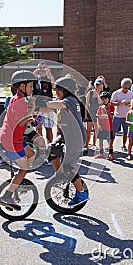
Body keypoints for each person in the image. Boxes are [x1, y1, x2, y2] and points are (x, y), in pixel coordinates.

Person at [36, 76, 89, 206]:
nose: (56, 92)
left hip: (75, 139)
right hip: (66, 136)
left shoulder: (70, 100)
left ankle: (81, 193)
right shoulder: (65, 100)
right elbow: (49, 108)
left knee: (68, 167)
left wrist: (40, 103)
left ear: (66, 89)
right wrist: (33, 109)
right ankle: (61, 176)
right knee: (51, 151)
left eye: (58, 89)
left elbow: (58, 105)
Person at [0, 70, 40, 210]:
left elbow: (23, 120)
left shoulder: (18, 99)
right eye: (31, 86)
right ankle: (8, 195)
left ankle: (17, 182)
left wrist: (32, 117)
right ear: (22, 86)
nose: (33, 88)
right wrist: (32, 108)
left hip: (15, 138)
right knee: (25, 168)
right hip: (12, 142)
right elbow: (21, 122)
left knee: (31, 153)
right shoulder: (19, 101)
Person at [33, 61, 55, 144]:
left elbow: (54, 87)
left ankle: (50, 147)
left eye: (43, 68)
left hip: (48, 106)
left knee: (48, 128)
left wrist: (49, 74)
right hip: (38, 107)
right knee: (38, 128)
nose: (42, 70)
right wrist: (33, 74)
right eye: (40, 68)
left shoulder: (48, 79)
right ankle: (40, 147)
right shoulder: (35, 79)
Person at [111, 78, 133, 151]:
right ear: (122, 86)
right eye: (125, 88)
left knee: (126, 132)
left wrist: (129, 104)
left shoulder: (131, 93)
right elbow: (112, 103)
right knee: (114, 131)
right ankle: (111, 145)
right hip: (117, 116)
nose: (126, 89)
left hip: (127, 116)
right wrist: (120, 103)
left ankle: (124, 145)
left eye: (128, 88)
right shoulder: (116, 93)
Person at [84, 77, 103, 150]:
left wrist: (98, 93)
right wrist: (85, 114)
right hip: (90, 113)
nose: (98, 86)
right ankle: (86, 144)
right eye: (97, 84)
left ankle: (94, 144)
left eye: (99, 85)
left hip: (97, 114)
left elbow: (100, 103)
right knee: (88, 130)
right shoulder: (90, 92)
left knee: (96, 130)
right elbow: (86, 104)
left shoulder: (101, 94)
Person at [94, 91, 115, 160]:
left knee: (110, 141)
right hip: (102, 127)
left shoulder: (112, 107)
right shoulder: (100, 108)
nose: (104, 100)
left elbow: (111, 116)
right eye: (102, 99)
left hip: (109, 127)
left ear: (109, 99)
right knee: (101, 140)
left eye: (105, 98)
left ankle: (110, 154)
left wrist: (106, 110)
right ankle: (101, 153)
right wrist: (98, 125)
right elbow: (98, 117)